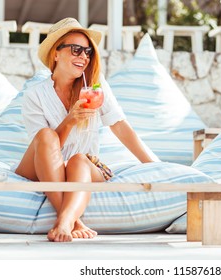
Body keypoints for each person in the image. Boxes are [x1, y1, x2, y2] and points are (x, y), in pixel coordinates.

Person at [15, 18, 154, 242]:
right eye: (76, 49)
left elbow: (119, 125)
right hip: (43, 164)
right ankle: (74, 220)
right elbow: (43, 148)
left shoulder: (95, 88)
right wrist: (70, 120)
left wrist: (154, 165)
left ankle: (65, 220)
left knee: (79, 159)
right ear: (56, 53)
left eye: (88, 52)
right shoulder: (35, 95)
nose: (83, 57)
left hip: (83, 166)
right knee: (45, 135)